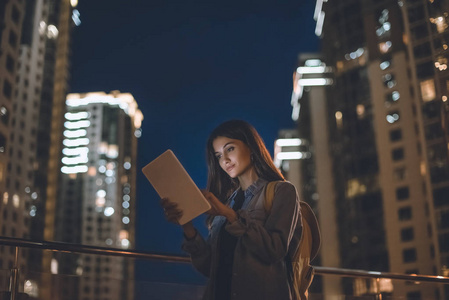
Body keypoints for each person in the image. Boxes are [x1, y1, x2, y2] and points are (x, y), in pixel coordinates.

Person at [160, 119, 302, 300]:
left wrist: (229, 215)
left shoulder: (282, 191)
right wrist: (187, 225)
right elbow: (209, 267)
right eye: (218, 155)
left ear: (251, 147)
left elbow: (274, 250)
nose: (224, 160)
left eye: (230, 149)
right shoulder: (227, 203)